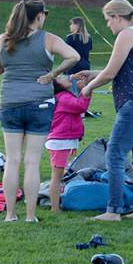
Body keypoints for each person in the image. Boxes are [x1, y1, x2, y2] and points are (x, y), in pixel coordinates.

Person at [0, 0, 80, 222]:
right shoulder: (48, 39)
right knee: (32, 160)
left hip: (10, 102)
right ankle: (30, 216)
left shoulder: (4, 39)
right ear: (40, 16)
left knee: (12, 160)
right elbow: (74, 56)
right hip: (39, 104)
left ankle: (10, 215)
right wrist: (52, 74)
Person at [76, 0, 133, 221]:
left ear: (117, 17)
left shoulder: (127, 34)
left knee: (114, 155)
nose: (108, 25)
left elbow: (112, 73)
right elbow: (123, 70)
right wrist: (93, 74)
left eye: (108, 20)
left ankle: (113, 211)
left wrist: (88, 88)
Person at [46, 75, 91, 212]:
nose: (65, 76)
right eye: (60, 77)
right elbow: (80, 106)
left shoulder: (63, 95)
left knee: (60, 173)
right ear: (57, 85)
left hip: (62, 141)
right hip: (60, 142)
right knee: (57, 176)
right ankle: (54, 207)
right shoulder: (64, 97)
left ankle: (58, 199)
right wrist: (87, 91)